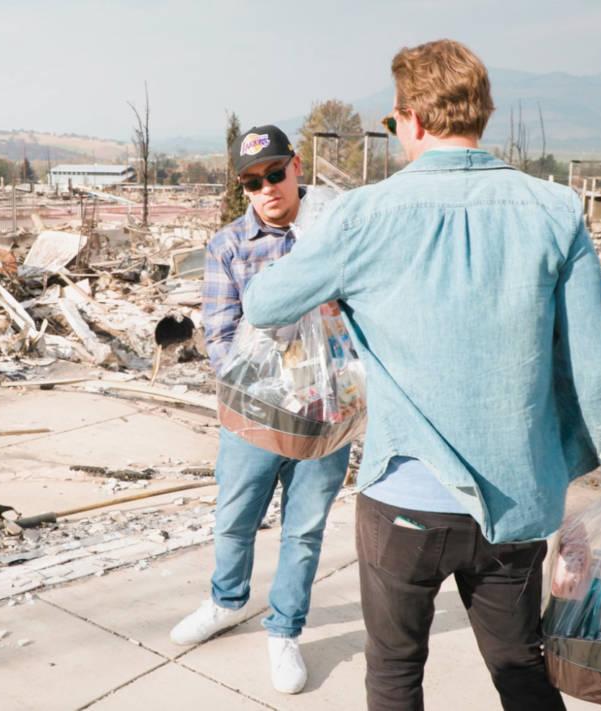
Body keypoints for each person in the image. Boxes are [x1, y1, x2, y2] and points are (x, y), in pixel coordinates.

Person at [241, 40, 601, 711]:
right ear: (482, 114)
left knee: (395, 672)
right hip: (516, 505)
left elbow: (265, 304)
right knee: (522, 667)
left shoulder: (364, 213)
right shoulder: (553, 209)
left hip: (404, 500)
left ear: (410, 119)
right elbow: (600, 364)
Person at [169, 124, 351, 695]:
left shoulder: (334, 235)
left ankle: (285, 630)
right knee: (235, 516)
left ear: (296, 167)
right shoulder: (228, 246)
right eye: (252, 182)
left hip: (327, 412)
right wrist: (270, 387)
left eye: (275, 173)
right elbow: (220, 339)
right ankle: (225, 602)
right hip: (254, 414)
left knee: (304, 529)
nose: (267, 188)